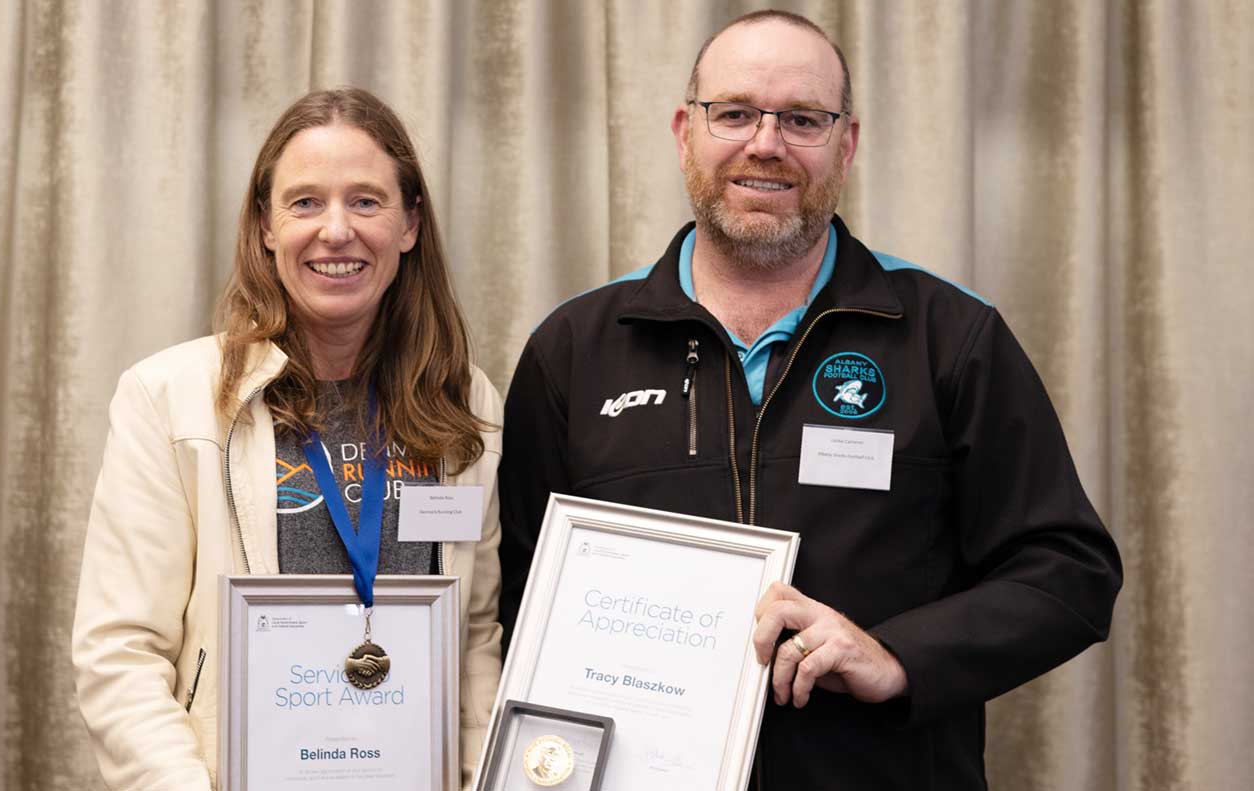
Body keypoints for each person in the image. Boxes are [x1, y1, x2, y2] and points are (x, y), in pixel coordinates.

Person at [497, 11, 1121, 790]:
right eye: (734, 113)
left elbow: (1070, 571)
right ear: (684, 131)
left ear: (847, 144)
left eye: (802, 119)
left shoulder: (948, 335)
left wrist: (898, 656)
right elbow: (524, 605)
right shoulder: (575, 349)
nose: (766, 143)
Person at [73, 88, 503, 790]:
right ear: (265, 228)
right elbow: (120, 652)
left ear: (410, 224)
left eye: (366, 201)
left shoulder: (462, 398)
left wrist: (480, 775)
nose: (336, 230)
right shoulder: (169, 398)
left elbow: (474, 632)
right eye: (305, 202)